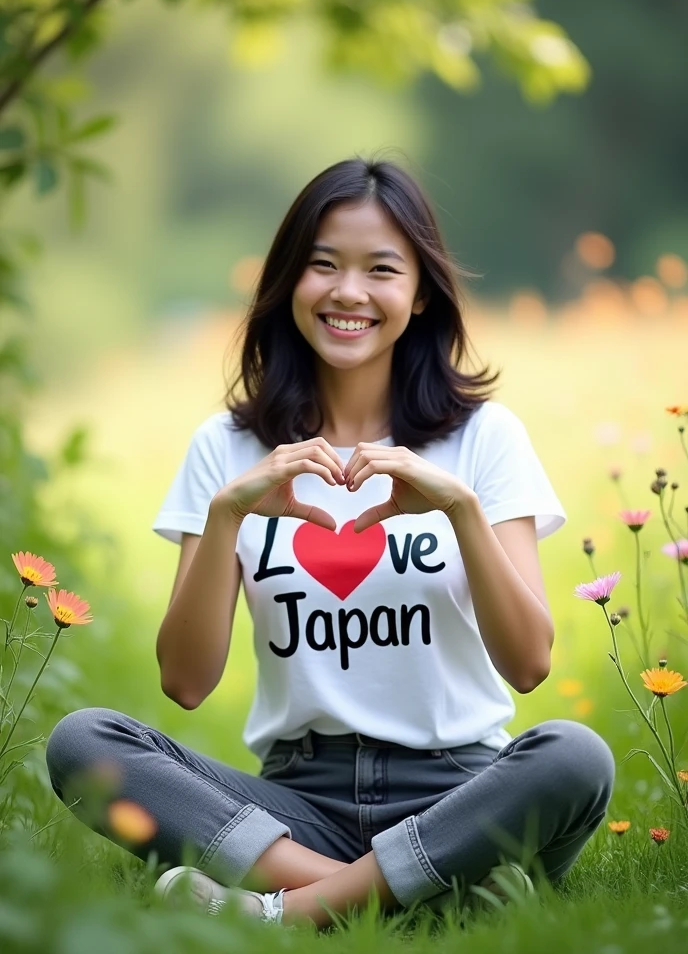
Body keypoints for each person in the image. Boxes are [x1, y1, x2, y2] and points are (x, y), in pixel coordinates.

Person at [45, 156, 615, 929]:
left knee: (575, 757)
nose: (349, 292)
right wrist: (226, 520)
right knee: (85, 743)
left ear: (419, 295)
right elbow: (185, 681)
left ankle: (279, 913)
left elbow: (529, 664)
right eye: (324, 266)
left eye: (381, 269)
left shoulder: (484, 438)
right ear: (289, 285)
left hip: (459, 790)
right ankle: (412, 897)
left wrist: (460, 512)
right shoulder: (227, 447)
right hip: (297, 798)